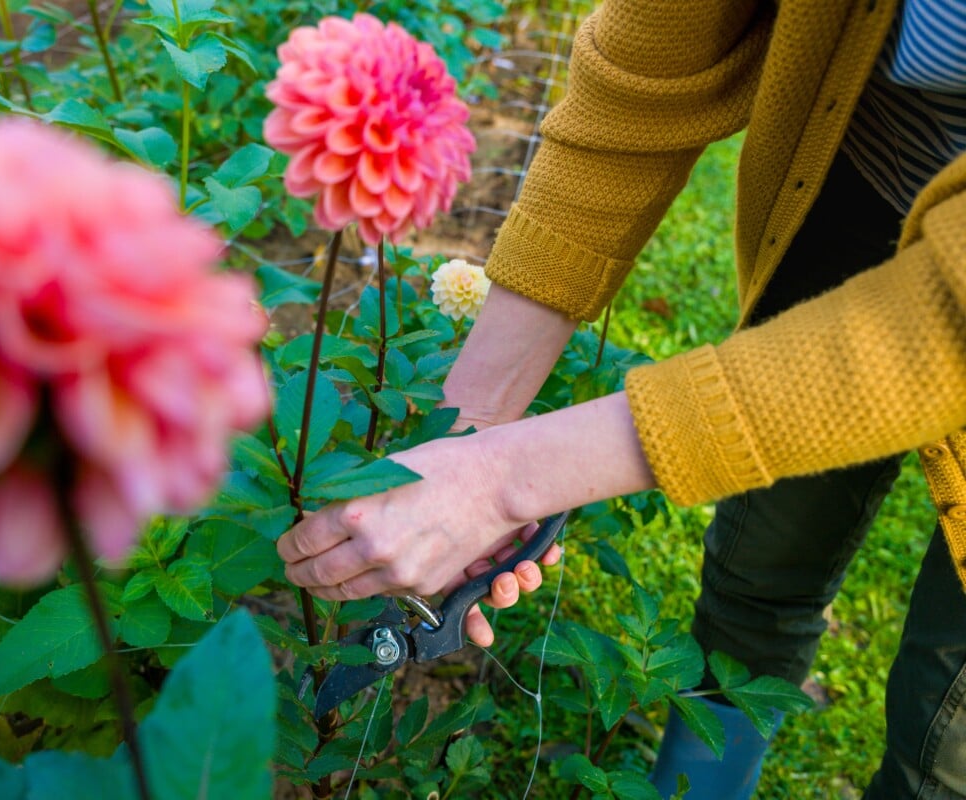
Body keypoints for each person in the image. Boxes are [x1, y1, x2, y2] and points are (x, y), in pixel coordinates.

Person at [277, 0, 966, 797]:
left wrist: (503, 479)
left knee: (942, 725)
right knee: (761, 567)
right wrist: (464, 433)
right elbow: (641, 84)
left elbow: (944, 328)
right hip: (857, 176)